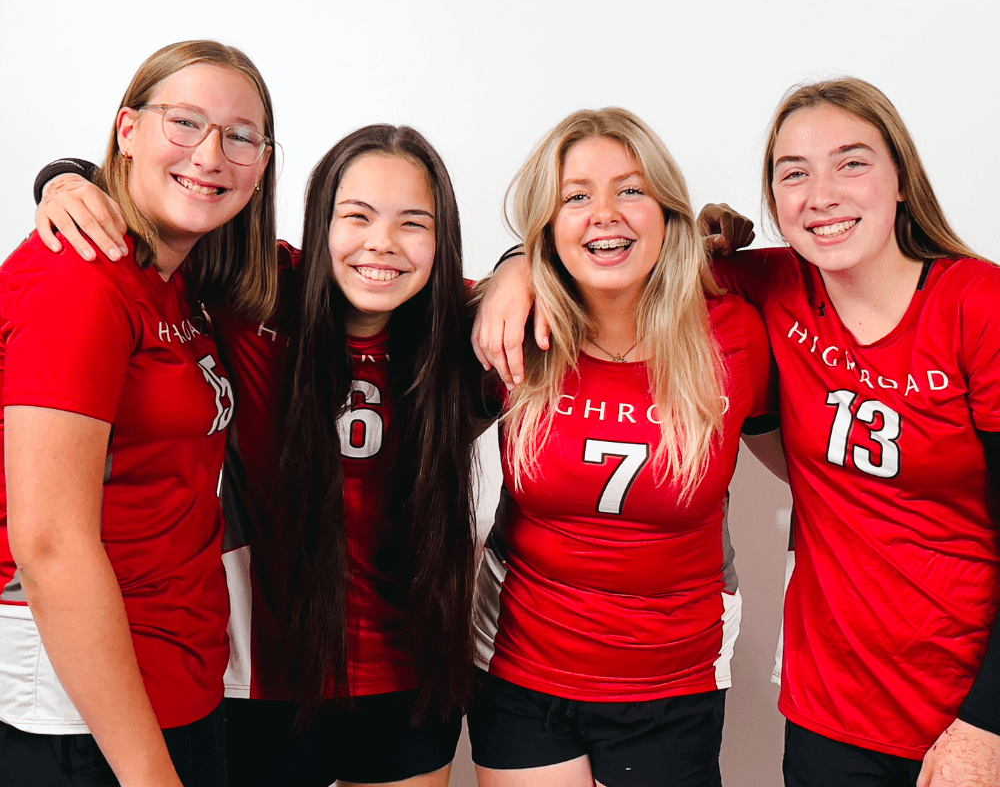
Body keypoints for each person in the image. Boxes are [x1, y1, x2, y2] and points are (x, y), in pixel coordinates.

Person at [474, 79, 1000, 787]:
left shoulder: (974, 304)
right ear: (774, 200)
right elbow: (618, 246)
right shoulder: (766, 290)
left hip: (964, 693)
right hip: (830, 705)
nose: (822, 194)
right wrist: (514, 266)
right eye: (794, 173)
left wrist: (987, 724)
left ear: (901, 178)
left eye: (852, 163)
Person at [32, 124, 482, 787]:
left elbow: (566, 289)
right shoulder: (259, 288)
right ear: (315, 218)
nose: (381, 242)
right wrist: (65, 179)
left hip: (410, 681)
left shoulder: (464, 334)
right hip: (263, 684)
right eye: (355, 215)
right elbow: (167, 210)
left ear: (441, 242)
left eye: (413, 222)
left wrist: (516, 270)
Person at [465, 107, 778, 787]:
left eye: (630, 190)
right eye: (576, 197)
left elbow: (806, 465)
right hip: (522, 673)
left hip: (674, 676)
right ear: (547, 225)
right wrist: (513, 266)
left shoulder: (731, 331)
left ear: (668, 213)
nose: (604, 213)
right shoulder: (513, 332)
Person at [0, 39, 277, 787]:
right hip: (85, 714)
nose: (211, 155)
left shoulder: (185, 273)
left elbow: (366, 261)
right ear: (127, 132)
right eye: (183, 123)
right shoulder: (79, 280)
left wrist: (514, 271)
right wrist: (148, 774)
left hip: (178, 678)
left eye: (240, 136)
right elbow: (49, 542)